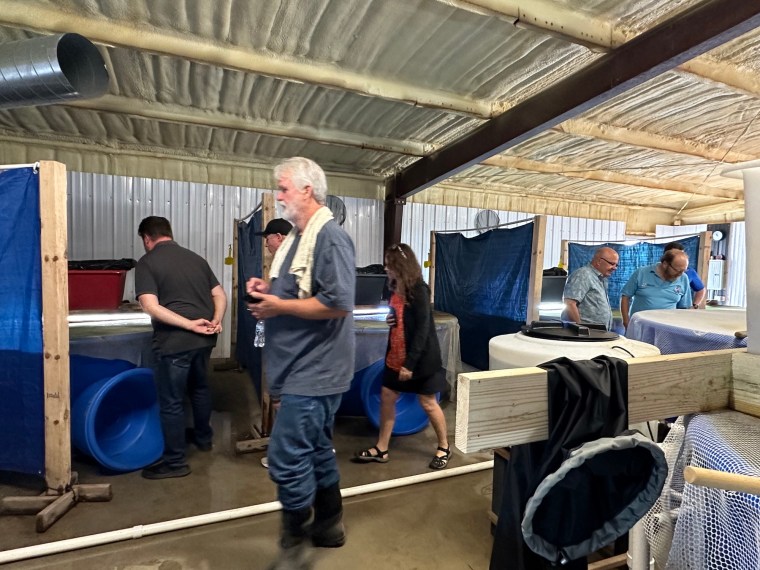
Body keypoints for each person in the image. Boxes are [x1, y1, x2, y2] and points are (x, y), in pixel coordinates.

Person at [246, 157, 355, 568]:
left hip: (315, 370)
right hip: (298, 366)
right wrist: (268, 290)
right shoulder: (297, 238)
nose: (279, 196)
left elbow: (338, 303)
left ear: (307, 190)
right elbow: (296, 290)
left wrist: (278, 307)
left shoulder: (330, 238)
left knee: (287, 455)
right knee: (317, 449)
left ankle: (294, 544)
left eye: (284, 188)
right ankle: (328, 526)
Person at [134, 216, 227, 479]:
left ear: (146, 238)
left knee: (171, 401)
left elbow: (150, 306)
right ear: (169, 233)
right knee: (199, 388)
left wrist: (188, 325)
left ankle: (175, 462)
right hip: (205, 339)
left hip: (175, 343)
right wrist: (216, 320)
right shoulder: (197, 259)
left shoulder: (147, 262)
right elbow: (220, 294)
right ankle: (203, 438)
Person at [353, 243, 451, 470]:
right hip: (395, 357)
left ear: (401, 265)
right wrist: (391, 319)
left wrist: (410, 363)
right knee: (387, 396)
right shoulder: (394, 288)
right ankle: (382, 448)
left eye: (390, 264)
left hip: (419, 360)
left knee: (427, 402)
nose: (386, 268)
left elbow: (423, 329)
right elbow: (398, 316)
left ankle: (444, 447)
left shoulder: (419, 290)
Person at [253, 217, 292, 471]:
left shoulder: (292, 263)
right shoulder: (285, 263)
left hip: (289, 345)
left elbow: (291, 304)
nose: (266, 244)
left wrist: (268, 306)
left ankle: (285, 455)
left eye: (268, 239)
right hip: (286, 343)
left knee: (284, 401)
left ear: (278, 237)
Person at [620, 249, 692, 331]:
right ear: (665, 264)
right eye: (677, 270)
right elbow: (625, 296)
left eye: (683, 270)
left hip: (668, 329)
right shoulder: (642, 272)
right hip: (639, 327)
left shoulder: (684, 278)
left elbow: (684, 308)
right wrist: (626, 321)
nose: (680, 274)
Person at [561, 246, 619, 330]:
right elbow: (569, 303)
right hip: (584, 334)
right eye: (612, 263)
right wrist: (580, 330)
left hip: (595, 333)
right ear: (599, 261)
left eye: (616, 265)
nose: (615, 268)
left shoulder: (601, 279)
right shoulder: (583, 275)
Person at [663, 241, 706, 308]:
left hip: (680, 310)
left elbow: (701, 289)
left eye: (682, 254)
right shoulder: (654, 271)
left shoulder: (689, 272)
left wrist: (695, 305)